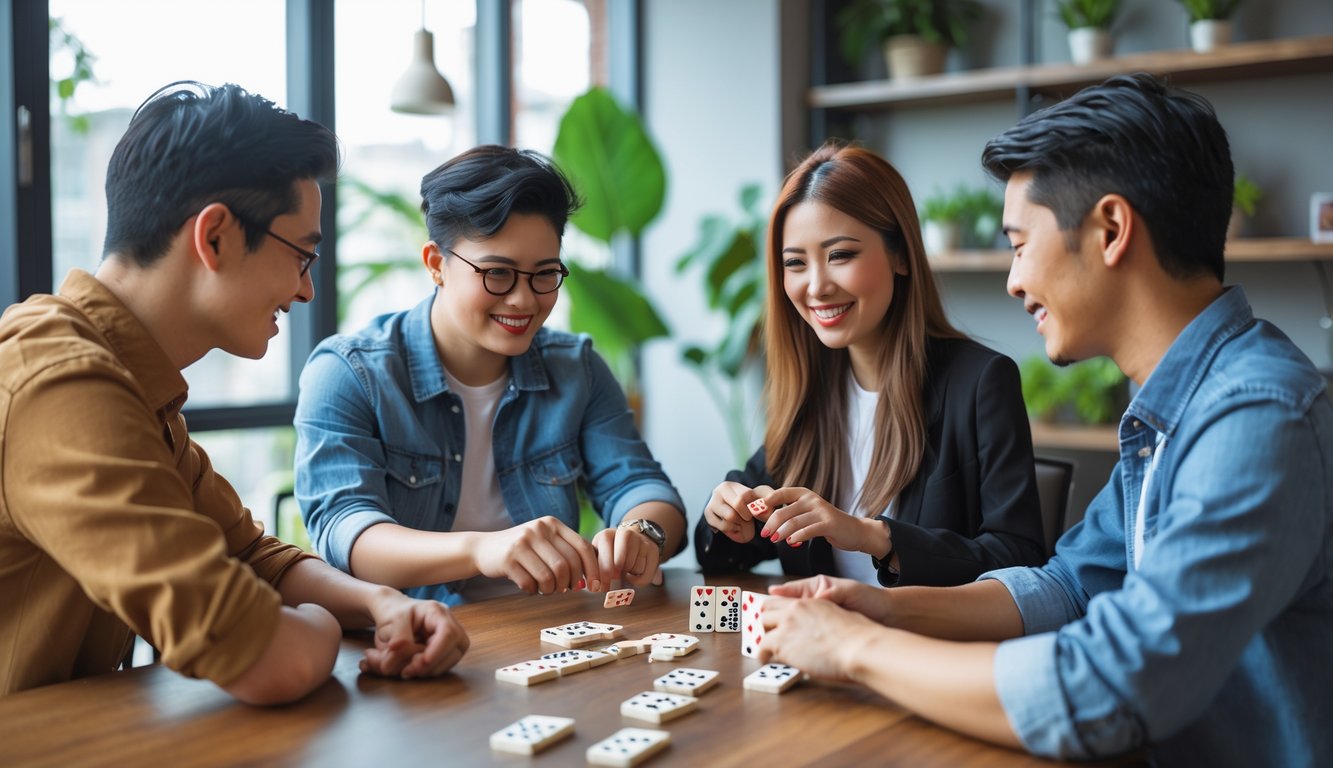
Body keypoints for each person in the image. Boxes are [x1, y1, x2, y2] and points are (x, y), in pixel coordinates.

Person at [759, 73, 1333, 765]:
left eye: (1019, 243)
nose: (1012, 279)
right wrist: (881, 606)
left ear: (1111, 230)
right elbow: (1064, 585)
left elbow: (1110, 686)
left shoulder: (1253, 417)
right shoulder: (1180, 406)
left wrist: (853, 648)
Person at [0, 82, 470, 704]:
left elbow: (251, 556)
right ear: (215, 235)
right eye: (302, 256)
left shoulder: (133, 384)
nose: (306, 292)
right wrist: (324, 624)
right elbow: (262, 656)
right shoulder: (60, 381)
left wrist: (383, 604)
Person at [294, 145, 687, 605]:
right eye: (498, 274)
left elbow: (642, 487)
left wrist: (641, 532)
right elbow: (348, 534)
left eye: (544, 274)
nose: (523, 300)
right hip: (418, 635)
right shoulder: (349, 373)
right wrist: (483, 548)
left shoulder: (575, 368)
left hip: (546, 633)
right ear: (436, 264)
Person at [695, 142, 1045, 587]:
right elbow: (726, 556)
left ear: (900, 254)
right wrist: (726, 516)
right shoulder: (808, 389)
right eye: (795, 264)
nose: (817, 286)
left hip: (926, 650)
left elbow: (1021, 560)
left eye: (840, 255)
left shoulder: (980, 383)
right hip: (821, 649)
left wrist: (873, 537)